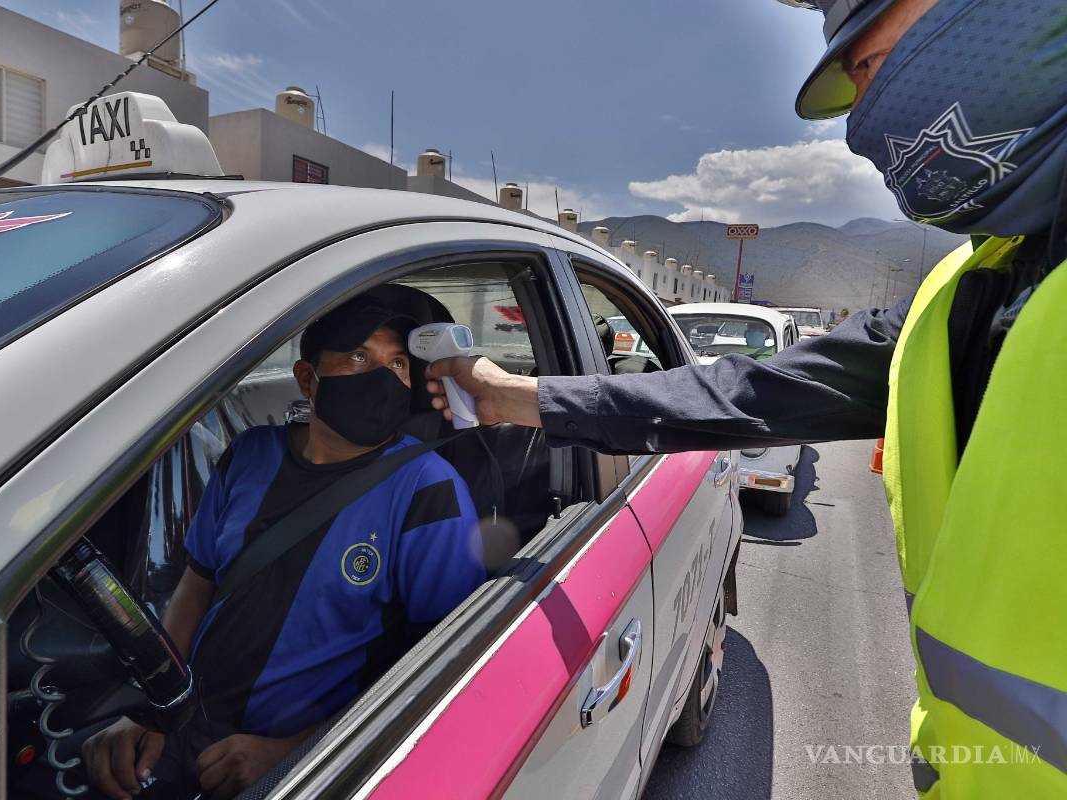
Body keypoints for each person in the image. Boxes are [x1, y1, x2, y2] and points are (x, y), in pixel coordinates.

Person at [426, 1, 1067, 796]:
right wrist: (511, 397)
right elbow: (742, 392)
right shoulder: (967, 291)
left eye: (869, 65)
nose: (864, 119)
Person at [82, 294, 485, 800]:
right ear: (306, 379)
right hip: (184, 725)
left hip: (305, 762)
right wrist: (151, 707)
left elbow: (440, 665)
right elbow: (195, 585)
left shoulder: (429, 491)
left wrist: (295, 753)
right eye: (359, 357)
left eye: (398, 363)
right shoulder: (251, 455)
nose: (383, 377)